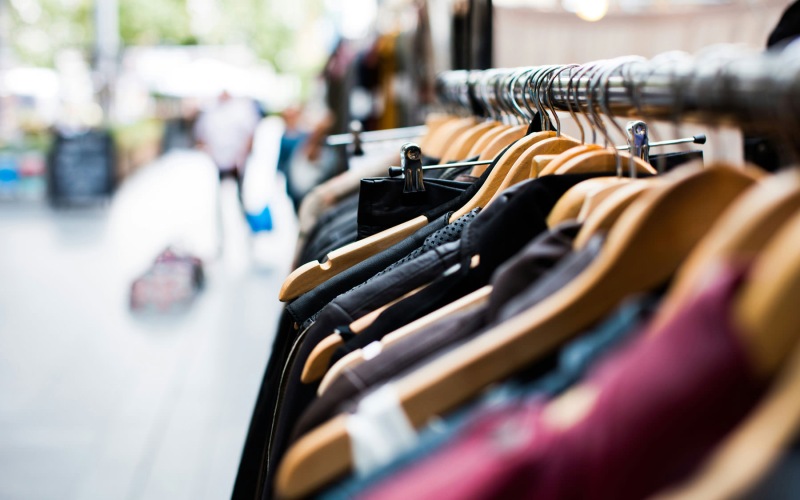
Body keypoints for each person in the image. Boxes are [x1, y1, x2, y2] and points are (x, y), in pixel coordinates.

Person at [193, 90, 261, 194]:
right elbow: (200, 136)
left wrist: (241, 157)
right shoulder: (210, 110)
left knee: (239, 193)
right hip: (216, 162)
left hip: (237, 164)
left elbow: (251, 134)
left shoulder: (241, 110)